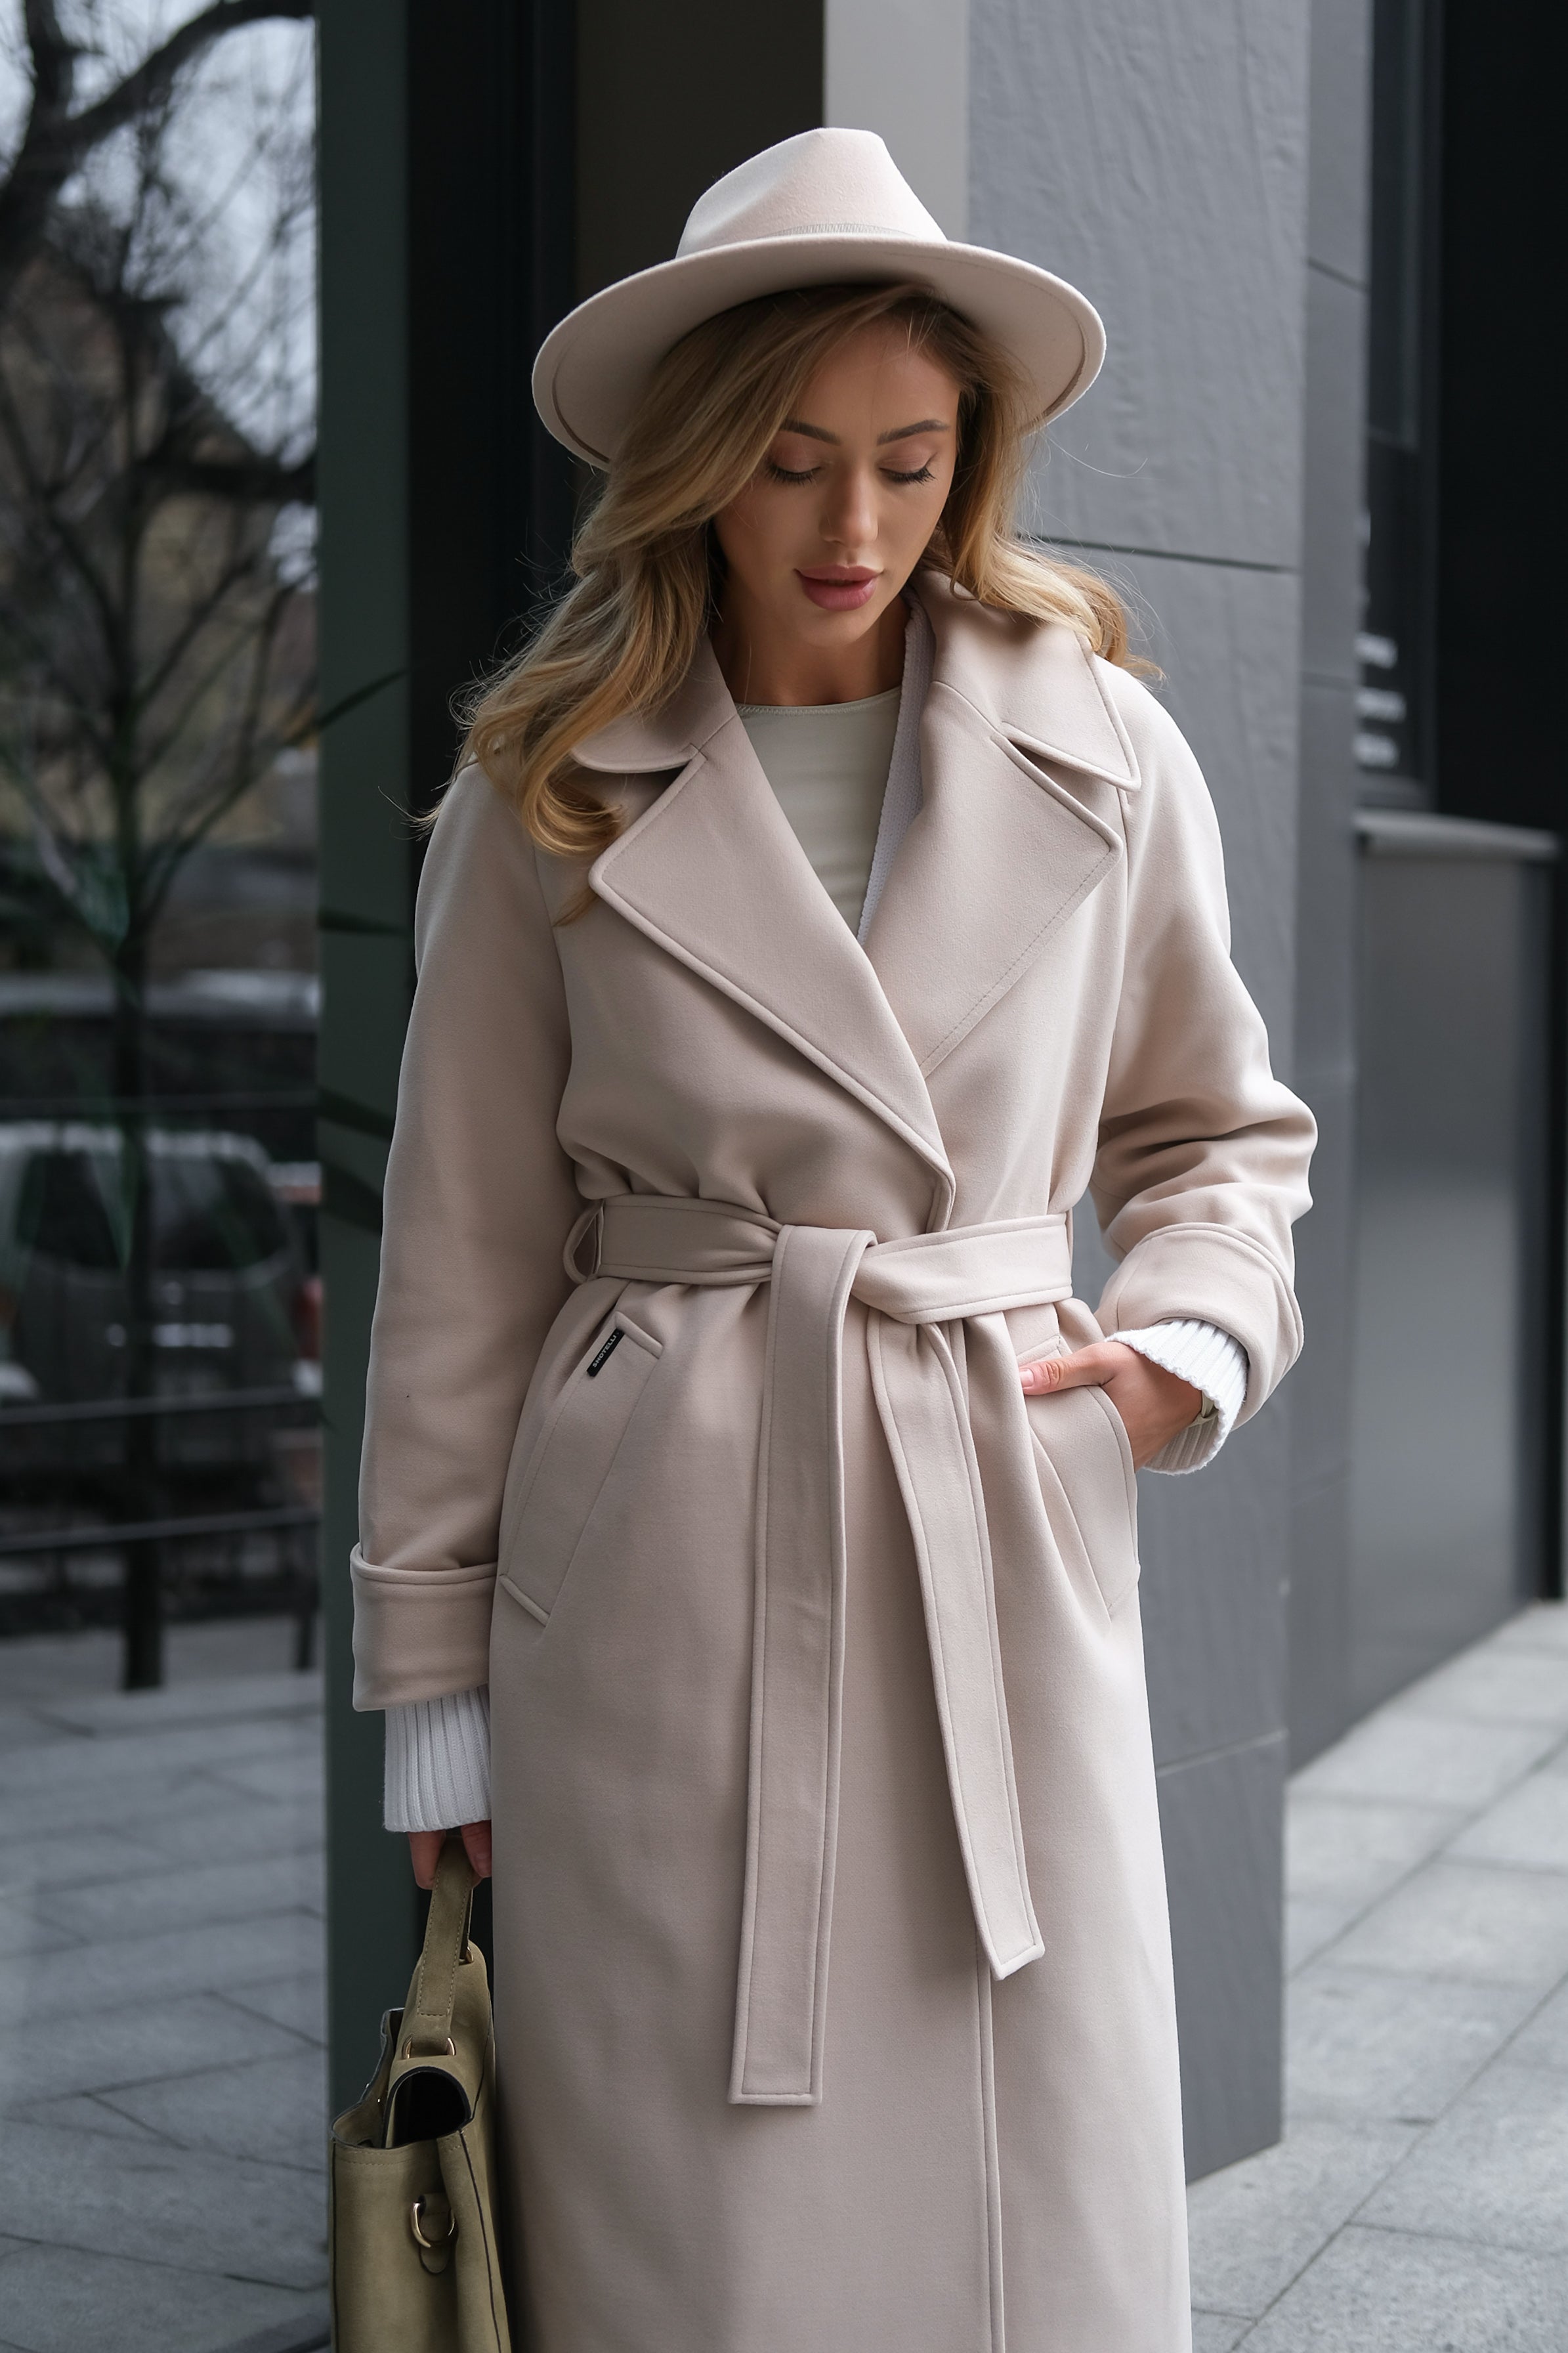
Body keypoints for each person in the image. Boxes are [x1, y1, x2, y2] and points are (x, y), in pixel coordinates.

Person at [351, 129, 1315, 2353]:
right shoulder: (555, 785)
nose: (856, 528)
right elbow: (463, 1252)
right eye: (792, 464)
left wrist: (1183, 1343)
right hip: (659, 1557)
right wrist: (432, 1687)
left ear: (971, 453)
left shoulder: (1109, 748)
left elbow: (1217, 1130)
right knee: (694, 2195)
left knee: (1029, 2179)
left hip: (992, 1498)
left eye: (909, 456)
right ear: (698, 462)